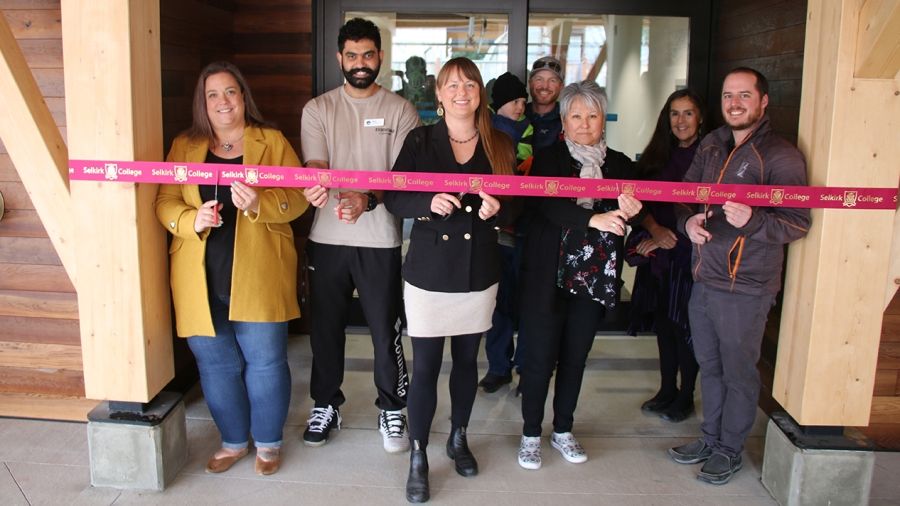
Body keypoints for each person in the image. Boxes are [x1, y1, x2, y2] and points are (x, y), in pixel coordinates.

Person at [155, 61, 308, 476]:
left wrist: (260, 201)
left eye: (230, 92)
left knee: (266, 361)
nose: (223, 101)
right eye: (213, 95)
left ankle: (269, 443)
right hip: (198, 276)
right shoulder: (183, 146)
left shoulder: (271, 140)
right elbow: (164, 201)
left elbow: (298, 199)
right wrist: (192, 220)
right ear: (202, 104)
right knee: (216, 365)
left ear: (244, 97)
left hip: (259, 272)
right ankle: (234, 441)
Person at [668, 68, 810, 485]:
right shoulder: (712, 143)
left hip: (746, 287)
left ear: (763, 101)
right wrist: (687, 223)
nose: (735, 103)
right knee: (708, 365)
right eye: (729, 95)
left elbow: (797, 223)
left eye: (745, 95)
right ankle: (710, 439)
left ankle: (730, 450)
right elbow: (683, 195)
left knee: (738, 372)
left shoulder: (782, 156)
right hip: (704, 278)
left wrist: (751, 221)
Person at [383, 57, 516, 503]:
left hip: (479, 269)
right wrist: (426, 201)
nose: (462, 92)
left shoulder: (500, 142)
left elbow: (518, 205)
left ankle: (458, 437)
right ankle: (418, 455)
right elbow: (393, 196)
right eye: (452, 85)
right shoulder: (420, 140)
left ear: (480, 92)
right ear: (438, 94)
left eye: (470, 84)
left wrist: (502, 210)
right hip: (429, 272)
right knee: (425, 368)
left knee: (466, 363)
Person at [299, 17, 419, 453]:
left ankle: (392, 408)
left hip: (380, 239)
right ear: (339, 58)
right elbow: (316, 165)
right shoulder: (318, 109)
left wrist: (365, 200)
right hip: (327, 238)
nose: (361, 63)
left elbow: (400, 178)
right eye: (352, 55)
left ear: (380, 57)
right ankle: (326, 404)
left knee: (385, 330)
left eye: (368, 54)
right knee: (325, 329)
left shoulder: (401, 110)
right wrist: (319, 185)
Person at [516, 80, 643, 471]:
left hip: (592, 277)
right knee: (539, 358)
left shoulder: (620, 165)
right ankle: (531, 434)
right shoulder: (547, 158)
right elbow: (547, 206)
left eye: (592, 115)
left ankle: (563, 429)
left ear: (604, 119)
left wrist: (632, 211)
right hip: (548, 273)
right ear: (563, 120)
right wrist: (594, 216)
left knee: (575, 357)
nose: (584, 123)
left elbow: (630, 220)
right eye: (576, 115)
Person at [627, 89, 705, 423]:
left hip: (691, 255)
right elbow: (637, 201)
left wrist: (670, 237)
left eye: (688, 113)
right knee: (662, 325)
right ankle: (666, 389)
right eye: (675, 113)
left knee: (683, 326)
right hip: (657, 253)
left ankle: (685, 395)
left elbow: (706, 208)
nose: (681, 121)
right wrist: (655, 231)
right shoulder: (657, 154)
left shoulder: (710, 155)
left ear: (700, 117)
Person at [478, 71, 533, 393]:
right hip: (497, 232)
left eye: (523, 102)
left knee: (527, 306)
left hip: (527, 229)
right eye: (515, 102)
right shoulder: (485, 132)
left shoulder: (529, 132)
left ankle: (525, 367)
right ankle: (498, 367)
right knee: (497, 306)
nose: (520, 107)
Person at [525, 56, 564, 150]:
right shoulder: (517, 115)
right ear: (530, 83)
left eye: (552, 81)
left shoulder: (567, 119)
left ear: (561, 86)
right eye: (539, 79)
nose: (545, 86)